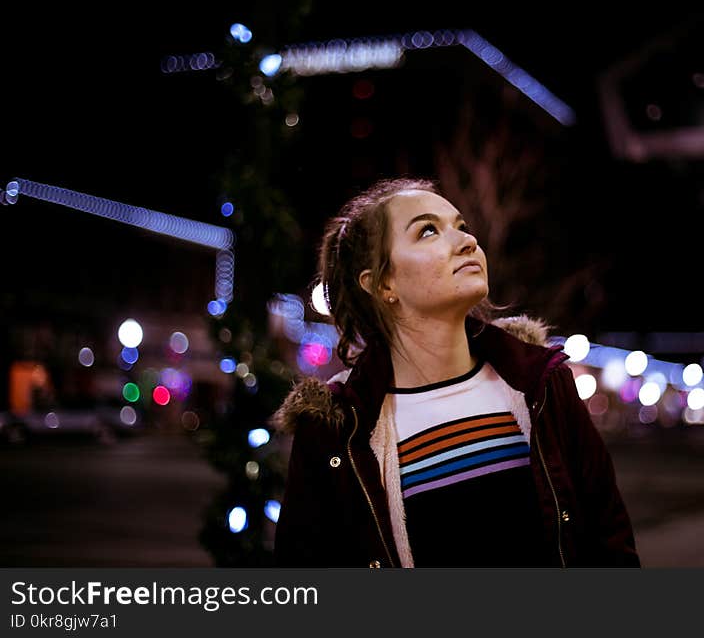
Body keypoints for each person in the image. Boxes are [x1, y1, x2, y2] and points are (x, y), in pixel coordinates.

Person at [272, 177, 639, 567]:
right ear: (382, 283)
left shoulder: (542, 385)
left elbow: (610, 544)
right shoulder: (336, 427)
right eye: (428, 231)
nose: (468, 242)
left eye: (461, 227)